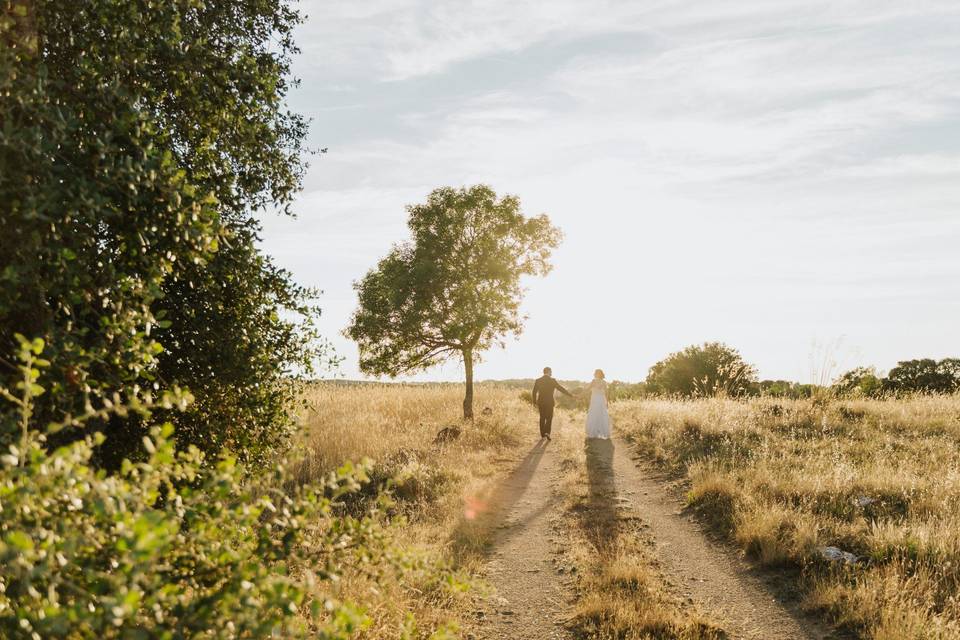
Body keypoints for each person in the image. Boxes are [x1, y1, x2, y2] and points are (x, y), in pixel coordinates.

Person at [532, 367, 572, 440]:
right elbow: (561, 388)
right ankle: (547, 432)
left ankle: (542, 434)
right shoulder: (552, 380)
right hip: (549, 402)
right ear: (548, 371)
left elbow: (534, 392)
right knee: (549, 417)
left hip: (540, 402)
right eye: (551, 371)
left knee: (542, 417)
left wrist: (534, 402)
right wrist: (570, 395)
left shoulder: (538, 380)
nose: (552, 373)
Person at [585, 369, 612, 439]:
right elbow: (606, 393)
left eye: (596, 373)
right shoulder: (604, 382)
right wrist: (607, 401)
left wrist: (580, 395)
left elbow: (587, 389)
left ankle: (593, 433)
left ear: (597, 374)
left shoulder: (594, 381)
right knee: (600, 414)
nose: (595, 374)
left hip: (596, 399)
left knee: (595, 414)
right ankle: (598, 432)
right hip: (600, 399)